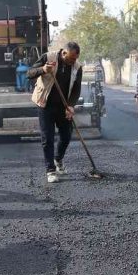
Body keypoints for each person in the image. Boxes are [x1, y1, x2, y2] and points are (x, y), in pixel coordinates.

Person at [28, 42, 82, 183]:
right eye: (70, 59)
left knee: (66, 136)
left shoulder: (77, 66)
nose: (72, 62)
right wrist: (43, 69)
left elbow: (76, 88)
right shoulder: (48, 57)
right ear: (63, 53)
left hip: (63, 106)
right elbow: (29, 73)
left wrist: (71, 105)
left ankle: (58, 159)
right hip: (45, 104)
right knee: (48, 138)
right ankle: (50, 170)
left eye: (75, 59)